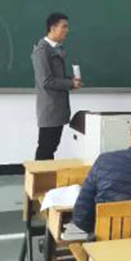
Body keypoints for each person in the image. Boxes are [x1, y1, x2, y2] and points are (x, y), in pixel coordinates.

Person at [31, 13, 82, 160]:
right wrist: (70, 83)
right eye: (64, 27)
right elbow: (46, 81)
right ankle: (41, 174)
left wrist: (72, 81)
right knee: (45, 147)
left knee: (51, 146)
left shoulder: (57, 49)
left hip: (57, 108)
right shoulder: (41, 51)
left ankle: (47, 174)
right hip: (50, 108)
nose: (67, 30)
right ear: (53, 28)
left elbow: (56, 77)